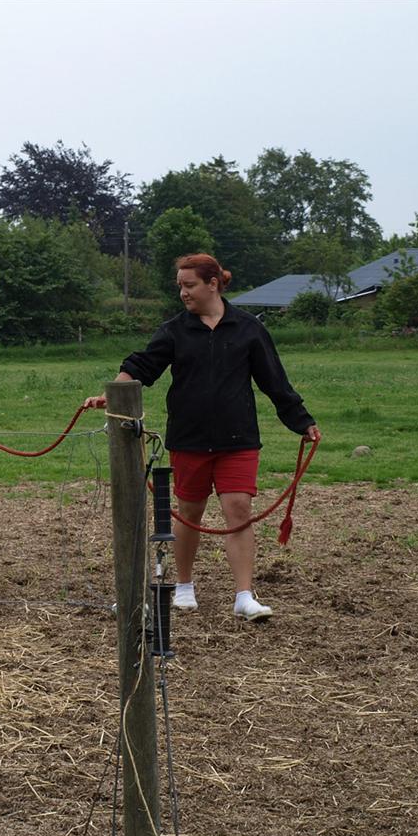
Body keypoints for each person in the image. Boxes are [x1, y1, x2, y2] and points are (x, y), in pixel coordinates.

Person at [84, 253, 321, 621]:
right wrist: (112, 394)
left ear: (213, 284)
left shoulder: (248, 329)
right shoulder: (175, 330)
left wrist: (302, 421)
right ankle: (184, 588)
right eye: (180, 285)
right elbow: (142, 366)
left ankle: (244, 596)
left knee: (238, 509)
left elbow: (275, 381)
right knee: (190, 511)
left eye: (189, 285)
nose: (182, 292)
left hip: (238, 438)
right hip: (189, 438)